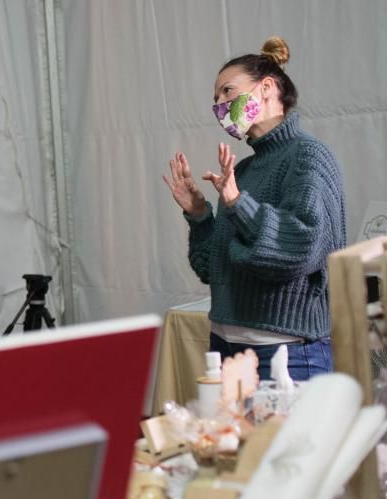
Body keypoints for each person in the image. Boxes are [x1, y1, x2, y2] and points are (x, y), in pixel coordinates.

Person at [162, 36, 346, 381]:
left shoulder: (309, 156)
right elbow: (211, 268)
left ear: (266, 87)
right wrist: (200, 215)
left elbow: (300, 252)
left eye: (228, 92)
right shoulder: (242, 172)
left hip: (287, 353)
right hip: (225, 349)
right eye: (215, 99)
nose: (219, 105)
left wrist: (237, 203)